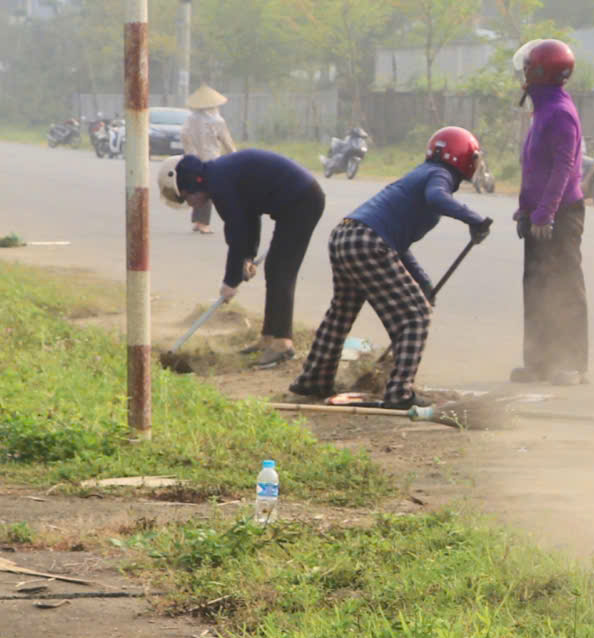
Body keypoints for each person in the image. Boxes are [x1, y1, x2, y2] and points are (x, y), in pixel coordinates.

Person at [289, 129, 492, 412]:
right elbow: (436, 198)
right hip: (368, 241)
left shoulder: (422, 173)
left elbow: (398, 244)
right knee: (416, 315)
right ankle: (399, 392)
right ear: (463, 157)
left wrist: (422, 281)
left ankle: (313, 379)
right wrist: (475, 219)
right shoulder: (439, 175)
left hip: (346, 235)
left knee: (341, 313)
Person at [163, 149, 326, 366]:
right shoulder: (217, 178)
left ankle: (283, 344)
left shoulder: (219, 183)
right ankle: (268, 338)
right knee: (274, 268)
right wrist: (248, 257)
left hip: (302, 200)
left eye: (185, 197)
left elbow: (237, 233)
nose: (190, 203)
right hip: (297, 201)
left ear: (192, 184)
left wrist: (230, 281)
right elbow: (249, 216)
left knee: (280, 270)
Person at [512, 38, 588, 386]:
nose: (524, 73)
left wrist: (545, 212)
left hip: (561, 212)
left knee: (565, 286)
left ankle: (572, 364)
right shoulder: (542, 108)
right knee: (537, 286)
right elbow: (532, 166)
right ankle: (539, 362)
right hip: (539, 211)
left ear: (540, 72)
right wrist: (524, 209)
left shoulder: (560, 112)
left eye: (529, 67)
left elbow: (563, 167)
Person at [181, 85, 237, 233]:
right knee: (207, 191)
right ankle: (203, 224)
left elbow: (184, 136)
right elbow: (226, 141)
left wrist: (189, 154)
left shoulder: (190, 119)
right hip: (211, 160)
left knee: (197, 188)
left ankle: (197, 221)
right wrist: (235, 157)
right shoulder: (217, 121)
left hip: (193, 159)